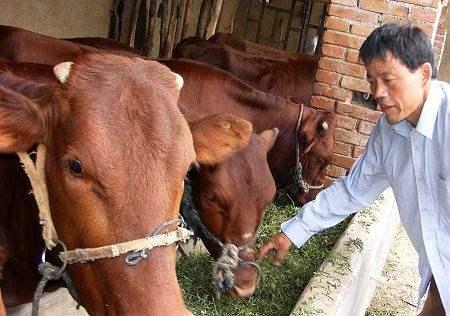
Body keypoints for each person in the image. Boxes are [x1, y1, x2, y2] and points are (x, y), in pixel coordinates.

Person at [259, 23, 448, 316]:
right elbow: (352, 191)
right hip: (439, 269)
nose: (378, 93)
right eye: (372, 81)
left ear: (423, 74)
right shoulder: (388, 132)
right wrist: (293, 231)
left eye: (388, 79)